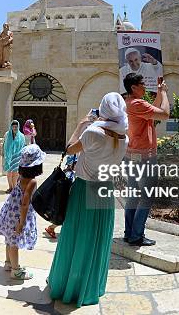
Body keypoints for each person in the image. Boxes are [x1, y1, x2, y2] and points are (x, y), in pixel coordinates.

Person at [48, 93, 129, 307]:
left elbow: (69, 149)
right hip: (105, 190)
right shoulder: (124, 137)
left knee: (77, 237)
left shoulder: (92, 132)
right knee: (96, 239)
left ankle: (68, 286)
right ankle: (91, 286)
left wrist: (81, 125)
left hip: (85, 189)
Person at [122, 73, 170, 246]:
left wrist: (158, 91)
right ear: (134, 87)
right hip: (144, 158)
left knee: (133, 196)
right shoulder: (137, 104)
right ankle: (136, 235)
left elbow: (154, 110)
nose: (144, 86)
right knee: (147, 197)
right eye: (142, 84)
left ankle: (129, 233)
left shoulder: (130, 103)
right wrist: (164, 92)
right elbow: (164, 113)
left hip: (131, 156)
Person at [0, 144, 45, 280]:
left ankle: (8, 263)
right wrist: (22, 222)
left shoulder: (21, 177)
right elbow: (25, 203)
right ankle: (16, 270)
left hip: (10, 211)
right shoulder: (31, 181)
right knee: (14, 242)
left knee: (9, 239)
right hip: (18, 215)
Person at [45, 154, 77, 239]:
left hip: (64, 199)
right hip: (67, 200)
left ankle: (51, 228)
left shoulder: (66, 172)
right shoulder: (70, 174)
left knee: (63, 217)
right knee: (64, 217)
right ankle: (51, 228)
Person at [2, 120, 26, 193]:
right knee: (9, 173)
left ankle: (15, 188)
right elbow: (4, 144)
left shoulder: (21, 136)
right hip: (8, 157)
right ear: (11, 127)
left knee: (15, 174)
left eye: (16, 126)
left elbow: (23, 146)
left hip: (17, 157)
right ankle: (10, 187)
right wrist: (3, 153)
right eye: (13, 126)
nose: (15, 128)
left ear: (18, 127)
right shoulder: (7, 134)